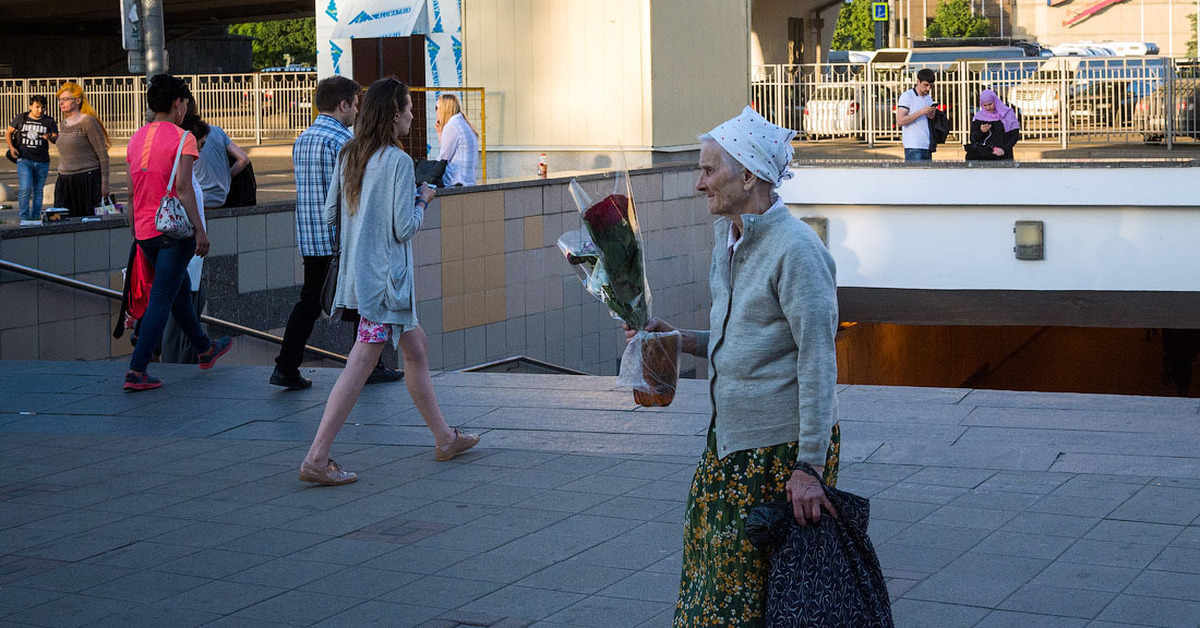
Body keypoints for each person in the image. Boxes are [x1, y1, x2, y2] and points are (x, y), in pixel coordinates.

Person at [626, 106, 841, 626]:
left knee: (760, 605)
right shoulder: (730, 241)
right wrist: (678, 341)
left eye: (708, 170)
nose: (699, 183)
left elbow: (817, 361)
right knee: (714, 595)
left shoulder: (796, 251)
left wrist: (810, 467)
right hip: (729, 449)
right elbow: (739, 338)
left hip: (779, 457)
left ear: (748, 175)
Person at [299, 77, 480, 486]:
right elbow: (404, 229)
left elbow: (331, 216)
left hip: (359, 280)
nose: (414, 118)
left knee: (416, 347)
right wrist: (422, 199)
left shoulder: (349, 154)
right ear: (394, 113)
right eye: (410, 110)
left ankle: (444, 438)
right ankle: (316, 457)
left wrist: (363, 219)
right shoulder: (398, 162)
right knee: (361, 363)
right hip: (386, 286)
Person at [272, 76, 403, 390]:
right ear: (343, 104)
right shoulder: (343, 142)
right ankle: (370, 365)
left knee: (309, 301)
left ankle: (287, 366)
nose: (357, 111)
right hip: (337, 238)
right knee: (362, 299)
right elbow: (351, 191)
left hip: (309, 236)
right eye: (356, 104)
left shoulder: (302, 139)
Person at [123, 74, 232, 391]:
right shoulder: (183, 138)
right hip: (174, 231)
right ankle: (137, 370)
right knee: (162, 297)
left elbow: (130, 192)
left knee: (179, 289)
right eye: (185, 102)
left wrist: (134, 230)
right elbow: (184, 189)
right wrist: (201, 231)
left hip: (146, 232)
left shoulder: (135, 138)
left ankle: (204, 348)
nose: (186, 107)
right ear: (178, 103)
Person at [161, 114, 211, 364]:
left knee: (180, 308)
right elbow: (185, 195)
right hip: (186, 251)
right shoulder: (184, 178)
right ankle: (182, 360)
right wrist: (200, 233)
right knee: (183, 310)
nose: (198, 154)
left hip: (184, 253)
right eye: (199, 146)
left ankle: (184, 357)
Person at [54, 82, 110, 217]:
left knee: (88, 220)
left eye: (66, 99)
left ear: (78, 100)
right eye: (60, 100)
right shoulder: (63, 124)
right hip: (65, 180)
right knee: (63, 222)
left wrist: (105, 183)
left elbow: (102, 154)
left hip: (87, 179)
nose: (61, 103)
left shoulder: (88, 121)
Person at [5, 95, 58, 225]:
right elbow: (8, 132)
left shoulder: (48, 121)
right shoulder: (21, 118)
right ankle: (24, 217)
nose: (40, 110)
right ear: (31, 106)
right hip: (24, 159)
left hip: (42, 160)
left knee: (38, 190)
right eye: (37, 107)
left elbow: (56, 138)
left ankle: (35, 218)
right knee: (25, 188)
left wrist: (49, 138)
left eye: (42, 108)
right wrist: (11, 148)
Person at [193, 119, 250, 208]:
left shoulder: (183, 134)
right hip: (221, 197)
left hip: (198, 200)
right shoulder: (216, 131)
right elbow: (243, 159)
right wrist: (227, 176)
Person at [435, 93, 480, 186]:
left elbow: (443, 158)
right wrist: (440, 134)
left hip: (455, 182)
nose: (436, 112)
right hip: (469, 181)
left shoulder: (452, 126)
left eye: (437, 108)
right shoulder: (463, 123)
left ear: (444, 109)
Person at [895, 68, 938, 162]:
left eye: (931, 86)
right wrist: (921, 112)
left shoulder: (928, 98)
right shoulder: (907, 96)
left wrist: (931, 115)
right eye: (925, 85)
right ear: (918, 81)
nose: (928, 89)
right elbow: (900, 121)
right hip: (913, 146)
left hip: (927, 145)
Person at [966, 89, 1021, 161]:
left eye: (990, 104)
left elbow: (1014, 136)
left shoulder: (1007, 114)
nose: (988, 108)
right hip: (982, 156)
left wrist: (1003, 149)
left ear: (995, 101)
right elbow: (973, 138)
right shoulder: (979, 117)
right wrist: (981, 131)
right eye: (984, 105)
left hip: (1003, 156)